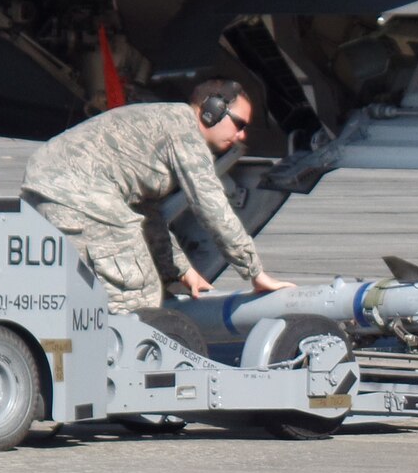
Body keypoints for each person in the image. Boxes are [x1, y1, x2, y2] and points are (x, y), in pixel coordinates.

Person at [21, 78, 293, 313]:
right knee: (137, 294)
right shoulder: (186, 133)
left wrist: (182, 271)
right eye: (239, 123)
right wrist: (255, 273)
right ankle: (124, 368)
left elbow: (146, 216)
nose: (242, 134)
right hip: (79, 193)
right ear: (213, 110)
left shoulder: (166, 123)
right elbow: (213, 207)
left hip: (51, 189)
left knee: (88, 291)